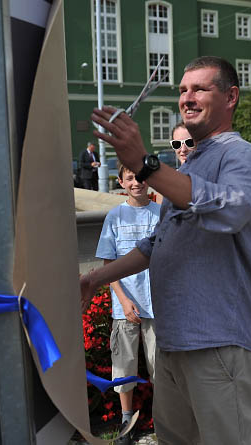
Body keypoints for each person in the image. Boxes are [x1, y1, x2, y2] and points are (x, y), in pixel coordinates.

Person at [82, 56, 251, 444]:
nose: (187, 97)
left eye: (200, 88)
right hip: (172, 342)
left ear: (231, 96)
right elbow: (157, 243)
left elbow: (232, 210)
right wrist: (95, 279)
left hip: (217, 341)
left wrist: (145, 165)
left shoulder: (239, 154)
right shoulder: (188, 167)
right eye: (183, 90)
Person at [94, 162, 160, 445]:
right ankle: (126, 419)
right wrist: (123, 299)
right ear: (121, 182)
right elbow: (109, 264)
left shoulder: (161, 213)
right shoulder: (115, 216)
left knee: (161, 365)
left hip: (158, 305)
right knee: (124, 364)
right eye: (130, 178)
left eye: (141, 177)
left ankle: (164, 418)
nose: (136, 182)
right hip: (126, 306)